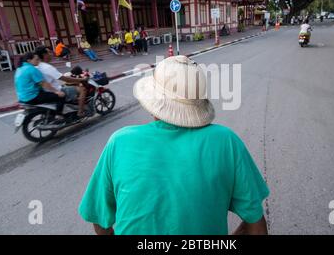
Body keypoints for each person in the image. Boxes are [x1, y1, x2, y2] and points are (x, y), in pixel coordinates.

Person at [78, 55, 270, 235]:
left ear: (153, 102)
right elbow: (255, 222)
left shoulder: (119, 142)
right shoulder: (226, 141)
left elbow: (99, 219)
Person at [35, 46, 88, 117]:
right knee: (82, 89)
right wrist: (82, 79)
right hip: (56, 90)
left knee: (67, 86)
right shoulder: (47, 67)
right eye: (49, 52)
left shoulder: (37, 66)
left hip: (45, 91)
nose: (51, 54)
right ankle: (80, 112)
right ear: (44, 55)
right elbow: (66, 79)